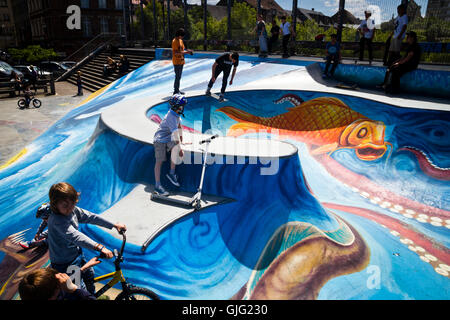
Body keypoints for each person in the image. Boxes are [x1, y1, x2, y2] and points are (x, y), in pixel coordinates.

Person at [46, 182, 127, 295]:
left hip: (77, 255)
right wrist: (100, 247)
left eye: (72, 204)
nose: (70, 208)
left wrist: (113, 224)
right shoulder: (57, 220)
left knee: (89, 275)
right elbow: (75, 236)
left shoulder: (72, 210)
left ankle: (91, 295)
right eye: (65, 206)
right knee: (77, 291)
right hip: (65, 263)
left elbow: (91, 217)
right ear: (55, 205)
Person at [153, 94, 188, 196]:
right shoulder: (171, 117)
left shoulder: (176, 114)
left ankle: (171, 173)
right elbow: (175, 134)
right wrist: (180, 149)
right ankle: (158, 185)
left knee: (175, 148)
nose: (183, 108)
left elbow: (179, 127)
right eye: (182, 106)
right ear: (177, 106)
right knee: (159, 162)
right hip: (159, 140)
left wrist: (182, 141)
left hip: (168, 139)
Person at [18, 258, 100, 300]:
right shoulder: (58, 293)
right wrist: (74, 289)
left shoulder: (31, 294)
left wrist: (84, 268)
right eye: (58, 284)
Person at [172, 28, 193, 95]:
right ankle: (175, 91)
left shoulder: (180, 40)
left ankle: (177, 90)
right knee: (177, 76)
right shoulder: (174, 41)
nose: (182, 37)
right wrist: (186, 52)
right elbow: (175, 53)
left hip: (181, 61)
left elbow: (183, 49)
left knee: (179, 76)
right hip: (176, 61)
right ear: (179, 35)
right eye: (182, 36)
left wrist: (188, 51)